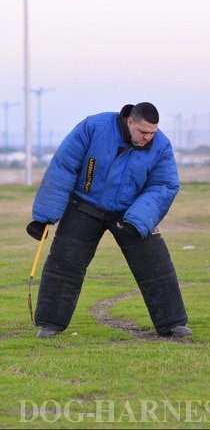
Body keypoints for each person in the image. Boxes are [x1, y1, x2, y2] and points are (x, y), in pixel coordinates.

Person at [26, 102, 191, 339]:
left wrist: (140, 219)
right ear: (130, 121)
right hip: (84, 204)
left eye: (152, 133)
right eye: (143, 132)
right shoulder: (93, 127)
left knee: (157, 266)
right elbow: (64, 167)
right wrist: (44, 217)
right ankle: (50, 324)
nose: (148, 138)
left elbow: (164, 185)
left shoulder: (161, 146)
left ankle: (173, 324)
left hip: (130, 212)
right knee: (64, 262)